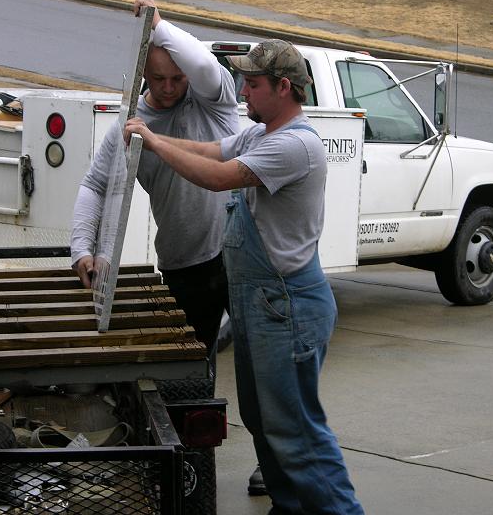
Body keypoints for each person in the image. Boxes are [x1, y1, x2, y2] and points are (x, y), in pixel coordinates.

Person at [124, 39, 365, 514]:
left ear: (283, 87)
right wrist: (152, 134)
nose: (242, 92)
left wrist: (154, 141)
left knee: (296, 431)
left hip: (287, 306)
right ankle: (289, 506)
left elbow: (217, 177)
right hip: (262, 306)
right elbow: (210, 151)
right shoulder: (260, 135)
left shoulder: (294, 145)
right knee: (262, 419)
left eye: (252, 84)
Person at [70, 0, 237, 359]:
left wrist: (157, 24)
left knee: (258, 361)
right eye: (159, 78)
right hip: (185, 264)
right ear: (143, 72)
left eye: (178, 78)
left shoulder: (212, 99)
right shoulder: (130, 126)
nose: (169, 87)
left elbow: (202, 64)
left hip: (238, 255)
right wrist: (82, 249)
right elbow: (95, 185)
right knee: (192, 366)